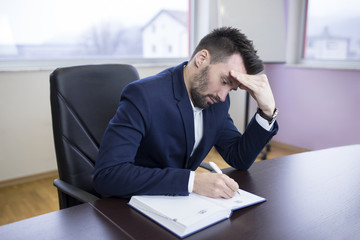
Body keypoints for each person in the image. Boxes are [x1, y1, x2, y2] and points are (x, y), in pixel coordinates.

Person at [93, 27, 278, 199]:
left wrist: (267, 111)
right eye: (224, 81)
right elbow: (108, 175)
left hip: (181, 207)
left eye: (231, 88)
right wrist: (192, 181)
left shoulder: (217, 102)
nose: (223, 96)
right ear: (201, 59)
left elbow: (239, 158)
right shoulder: (144, 96)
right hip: (132, 206)